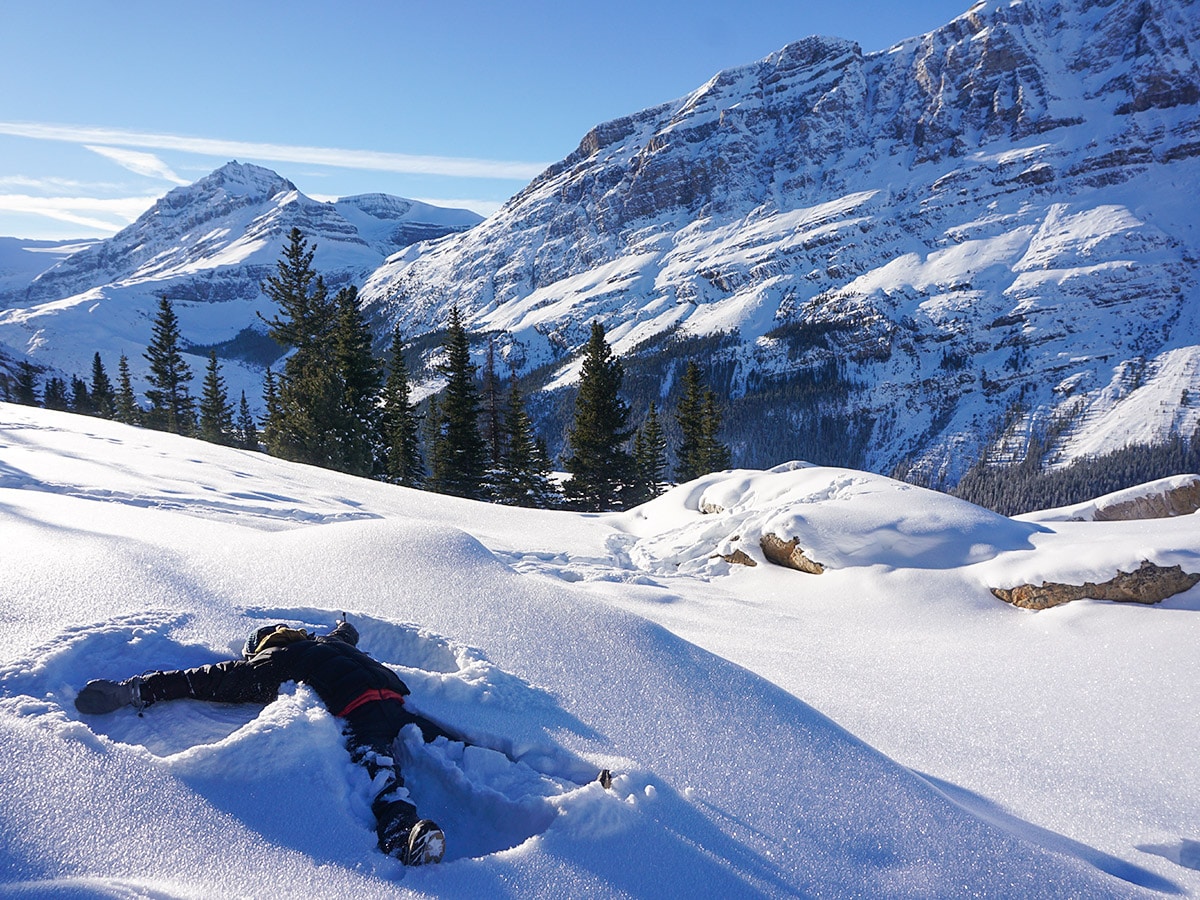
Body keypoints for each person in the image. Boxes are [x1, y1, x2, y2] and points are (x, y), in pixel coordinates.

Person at [74, 617, 451, 866]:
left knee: (380, 771)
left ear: (261, 646)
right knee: (453, 744)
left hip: (361, 710)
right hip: (397, 701)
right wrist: (345, 627)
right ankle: (506, 775)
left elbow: (206, 679)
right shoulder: (326, 643)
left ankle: (404, 836)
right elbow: (344, 634)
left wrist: (132, 690)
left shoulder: (275, 660)